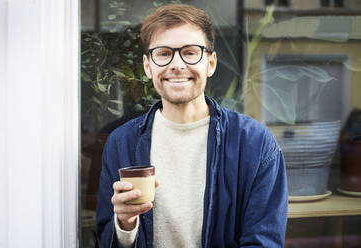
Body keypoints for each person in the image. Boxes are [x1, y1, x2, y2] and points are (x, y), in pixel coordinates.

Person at [96, 4, 288, 248]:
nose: (177, 64)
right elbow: (106, 240)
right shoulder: (121, 143)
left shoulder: (255, 143)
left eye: (189, 52)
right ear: (148, 66)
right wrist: (124, 224)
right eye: (164, 53)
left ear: (211, 63)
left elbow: (263, 243)